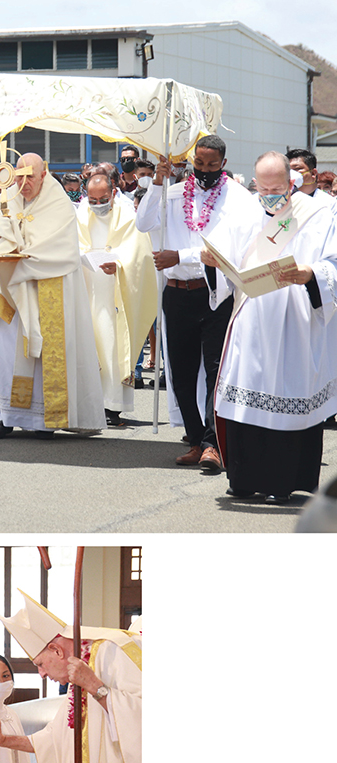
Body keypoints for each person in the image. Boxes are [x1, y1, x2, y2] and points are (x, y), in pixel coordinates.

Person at [210, 151, 337, 502]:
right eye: (263, 188)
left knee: (290, 393)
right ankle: (244, 479)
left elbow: (333, 262)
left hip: (296, 318)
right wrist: (212, 260)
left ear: (291, 182)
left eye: (277, 188)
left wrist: (310, 274)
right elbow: (224, 255)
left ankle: (285, 482)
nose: (270, 196)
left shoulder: (316, 213)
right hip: (252, 318)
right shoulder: (245, 210)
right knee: (248, 395)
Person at [135, 134, 257, 470]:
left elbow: (225, 253)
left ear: (224, 164)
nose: (204, 170)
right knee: (182, 373)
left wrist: (181, 254)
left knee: (216, 372)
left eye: (212, 165)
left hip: (215, 293)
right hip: (176, 292)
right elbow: (143, 223)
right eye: (199, 164)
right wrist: (158, 182)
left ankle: (213, 444)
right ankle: (194, 438)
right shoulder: (173, 193)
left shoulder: (240, 200)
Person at [0, 591, 142, 763]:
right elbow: (51, 740)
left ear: (57, 650)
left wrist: (96, 687)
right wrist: (3, 740)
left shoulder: (114, 652)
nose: (42, 674)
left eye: (41, 664)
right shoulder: (78, 679)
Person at [0, 152, 105, 438]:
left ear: (43, 174)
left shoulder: (59, 204)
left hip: (46, 289)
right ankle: (6, 416)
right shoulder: (4, 200)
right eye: (18, 177)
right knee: (5, 354)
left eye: (29, 177)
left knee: (42, 357)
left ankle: (46, 419)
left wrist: (21, 257)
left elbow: (63, 252)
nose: (23, 183)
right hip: (10, 292)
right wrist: (4, 240)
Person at [77, 173, 157, 426]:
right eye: (92, 199)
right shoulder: (79, 216)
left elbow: (140, 257)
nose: (97, 204)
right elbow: (72, 245)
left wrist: (120, 266)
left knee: (112, 347)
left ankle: (112, 407)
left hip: (115, 296)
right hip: (87, 289)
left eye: (102, 198)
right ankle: (88, 404)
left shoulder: (130, 218)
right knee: (88, 347)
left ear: (113, 194)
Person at [286, 148, 337, 217]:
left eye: (296, 169)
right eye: (288, 170)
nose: (291, 174)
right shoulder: (283, 202)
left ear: (313, 173)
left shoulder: (330, 204)